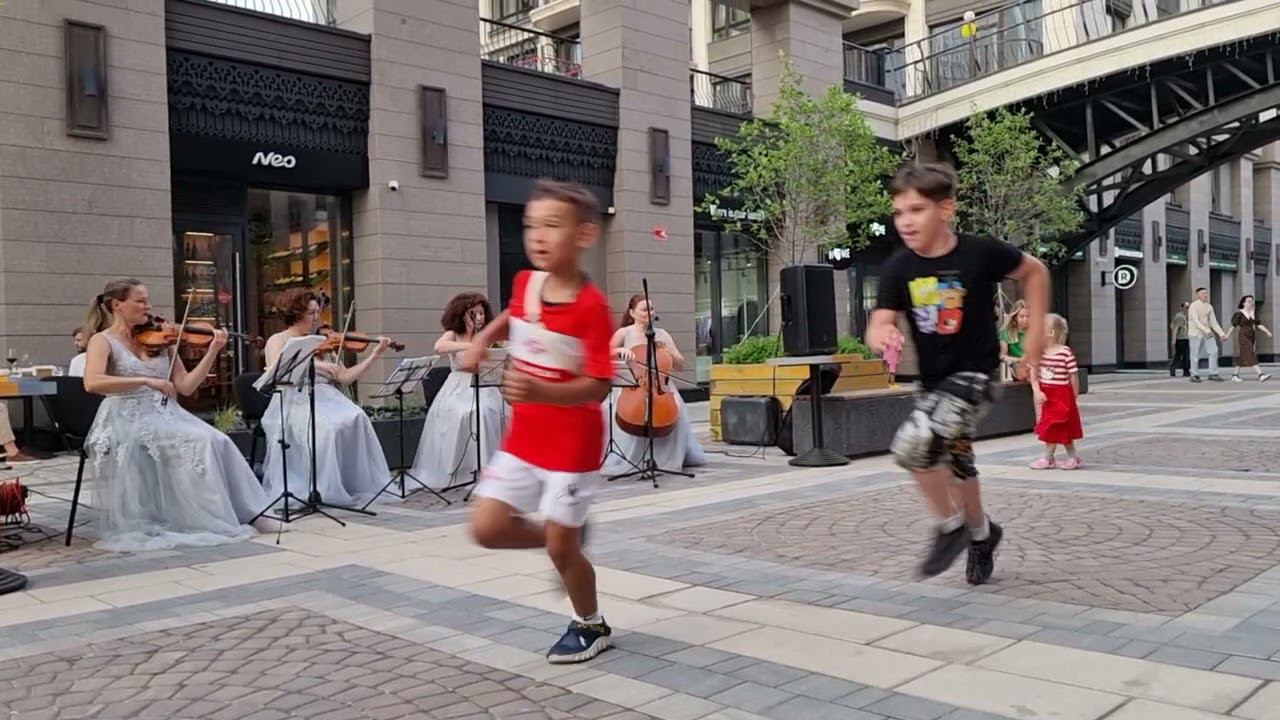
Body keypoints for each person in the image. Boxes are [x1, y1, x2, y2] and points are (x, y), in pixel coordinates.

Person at [866, 162, 1049, 586]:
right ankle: (982, 535)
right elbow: (880, 320)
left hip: (974, 379)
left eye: (916, 210)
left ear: (945, 209)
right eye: (898, 212)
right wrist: (881, 334)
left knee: (913, 447)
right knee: (958, 465)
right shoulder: (899, 267)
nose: (905, 221)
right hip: (932, 384)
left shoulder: (979, 252)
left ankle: (951, 527)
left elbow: (1035, 272)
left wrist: (1036, 336)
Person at [461, 179, 614, 664]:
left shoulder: (592, 307)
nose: (538, 236)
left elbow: (599, 385)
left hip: (573, 447)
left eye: (552, 225)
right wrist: (481, 339)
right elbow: (513, 314)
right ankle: (562, 537)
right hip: (523, 440)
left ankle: (590, 623)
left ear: (584, 234)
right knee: (486, 528)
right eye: (531, 226)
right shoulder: (526, 282)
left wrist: (542, 391)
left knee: (562, 551)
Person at [80, 278, 277, 551]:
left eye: (147, 300)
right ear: (117, 305)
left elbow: (186, 386)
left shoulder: (162, 339)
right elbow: (92, 382)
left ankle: (250, 512)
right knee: (200, 442)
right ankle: (208, 518)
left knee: (219, 439)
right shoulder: (103, 341)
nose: (148, 306)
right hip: (126, 416)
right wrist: (144, 380)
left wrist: (212, 351)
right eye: (140, 301)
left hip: (166, 413)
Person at [260, 288, 393, 508]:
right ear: (296, 314)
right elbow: (276, 368)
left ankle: (349, 483)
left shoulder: (322, 342)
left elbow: (345, 377)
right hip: (294, 399)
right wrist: (319, 364)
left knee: (358, 418)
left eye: (317, 312)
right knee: (326, 428)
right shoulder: (279, 339)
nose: (317, 318)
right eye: (311, 313)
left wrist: (374, 354)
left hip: (327, 398)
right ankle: (322, 488)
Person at [411, 292, 508, 489]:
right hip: (458, 387)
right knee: (474, 412)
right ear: (462, 314)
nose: (479, 317)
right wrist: (473, 344)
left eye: (482, 313)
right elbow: (439, 347)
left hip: (485, 385)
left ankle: (494, 470)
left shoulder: (488, 334)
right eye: (474, 313)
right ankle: (467, 469)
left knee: (498, 411)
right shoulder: (453, 333)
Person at [601, 295, 706, 475]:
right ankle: (630, 457)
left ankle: (665, 458)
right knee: (611, 411)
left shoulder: (662, 334)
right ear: (632, 313)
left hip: (661, 387)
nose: (649, 312)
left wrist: (667, 350)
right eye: (644, 309)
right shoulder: (624, 333)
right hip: (632, 386)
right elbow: (602, 354)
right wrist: (619, 350)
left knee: (678, 408)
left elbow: (681, 365)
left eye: (651, 308)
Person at [1029, 314, 1083, 470]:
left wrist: (1074, 394)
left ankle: (1049, 458)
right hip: (1047, 397)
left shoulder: (1065, 352)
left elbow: (1073, 375)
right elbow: (1034, 375)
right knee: (1054, 427)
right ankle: (1071, 457)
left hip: (1062, 396)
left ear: (1051, 332)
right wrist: (1037, 391)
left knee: (1057, 427)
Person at [1188, 287, 1228, 383]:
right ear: (1198, 295)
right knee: (1195, 354)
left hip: (1208, 333)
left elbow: (1214, 322)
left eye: (1206, 293)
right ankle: (1194, 375)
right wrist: (1206, 330)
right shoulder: (1193, 306)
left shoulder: (1209, 307)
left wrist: (1221, 334)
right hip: (1195, 333)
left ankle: (1213, 373)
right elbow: (1195, 321)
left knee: (1214, 351)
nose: (1205, 295)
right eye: (1203, 293)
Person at [1229, 294, 1271, 382]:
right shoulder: (1239, 314)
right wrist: (1227, 335)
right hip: (1243, 336)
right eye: (1248, 301)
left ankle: (1234, 375)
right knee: (1250, 353)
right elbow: (1233, 326)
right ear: (1243, 303)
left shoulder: (1252, 313)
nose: (1251, 303)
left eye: (1252, 301)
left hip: (1251, 336)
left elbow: (1258, 324)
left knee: (1243, 356)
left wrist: (1267, 331)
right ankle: (1260, 374)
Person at [998, 300, 1029, 381]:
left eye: (1028, 316)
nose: (1025, 319)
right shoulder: (1006, 333)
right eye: (1022, 316)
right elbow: (1003, 356)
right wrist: (1019, 360)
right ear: (1015, 317)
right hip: (1016, 365)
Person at [1169, 302, 1190, 378]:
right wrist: (1174, 340)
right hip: (1181, 339)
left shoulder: (1184, 317)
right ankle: (1174, 369)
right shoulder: (1180, 316)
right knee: (1180, 355)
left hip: (1185, 338)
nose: (1187, 309)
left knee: (1184, 356)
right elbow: (1175, 328)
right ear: (1182, 308)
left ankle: (1185, 371)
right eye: (1186, 307)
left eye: (1188, 307)